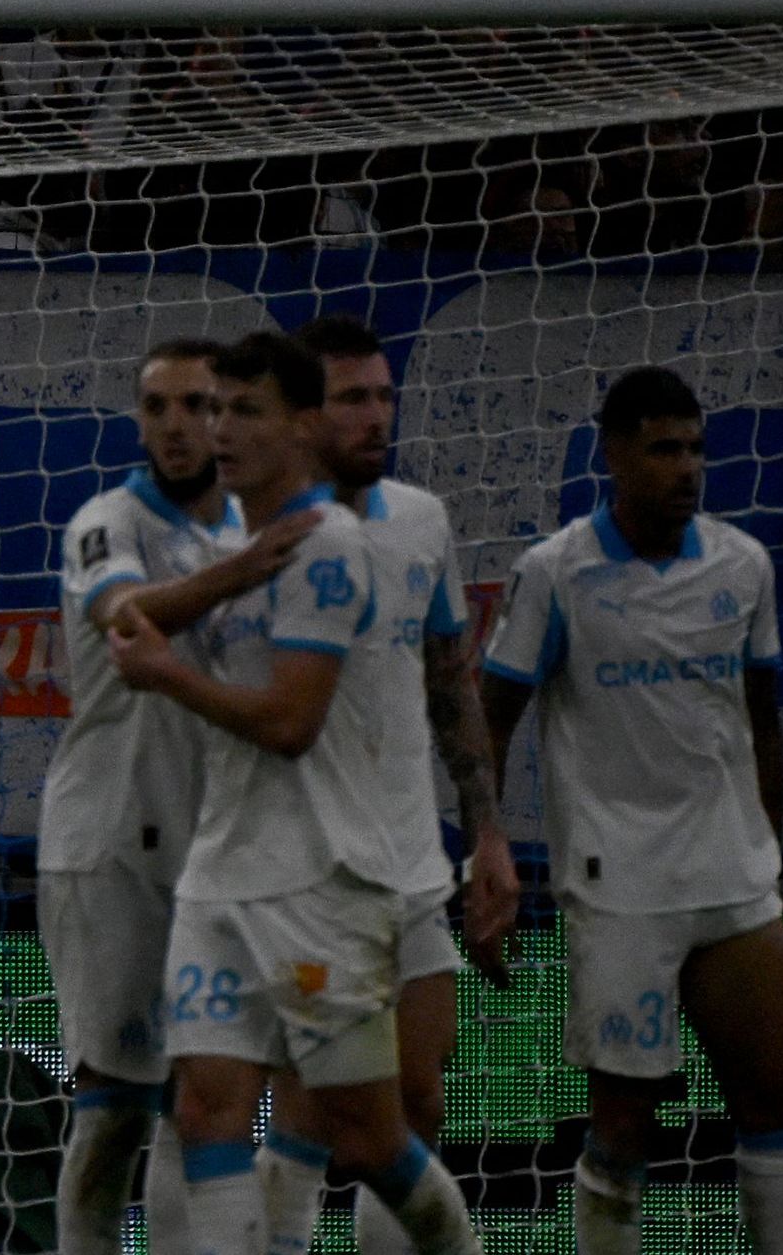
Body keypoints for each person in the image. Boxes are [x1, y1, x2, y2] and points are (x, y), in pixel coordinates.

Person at [100, 329, 481, 1255]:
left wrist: (168, 672)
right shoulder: (226, 539)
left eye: (246, 410)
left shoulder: (330, 547)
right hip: (221, 871)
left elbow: (289, 721)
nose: (220, 429)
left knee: (370, 1134)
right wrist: (223, 575)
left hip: (324, 880)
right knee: (205, 1109)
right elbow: (131, 616)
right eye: (216, 408)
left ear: (301, 427)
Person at [480, 369, 783, 1255]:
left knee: (777, 1102)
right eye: (665, 449)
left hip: (732, 882)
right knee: (624, 1127)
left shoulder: (743, 565)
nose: (687, 467)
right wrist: (488, 850)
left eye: (696, 448)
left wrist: (766, 851)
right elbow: (491, 720)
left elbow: (762, 720)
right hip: (619, 888)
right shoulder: (555, 574)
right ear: (615, 455)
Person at [39, 341, 316, 1255]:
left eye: (197, 404)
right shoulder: (106, 523)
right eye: (156, 406)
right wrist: (248, 569)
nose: (177, 424)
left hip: (215, 852)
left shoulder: (248, 530)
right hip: (112, 844)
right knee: (114, 1105)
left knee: (197, 1100)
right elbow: (128, 618)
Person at [268, 316, 512, 1249]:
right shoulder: (260, 535)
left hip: (411, 860)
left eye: (383, 395)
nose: (376, 415)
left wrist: (486, 834)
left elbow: (450, 677)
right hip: (307, 866)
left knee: (417, 1100)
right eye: (351, 398)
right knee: (310, 1107)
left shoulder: (422, 519)